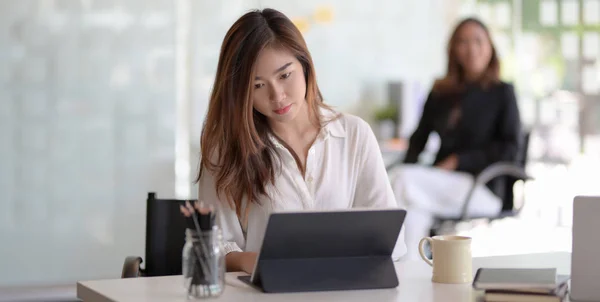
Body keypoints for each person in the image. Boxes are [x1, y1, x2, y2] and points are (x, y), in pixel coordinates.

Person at [195, 8, 407, 274]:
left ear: (305, 65)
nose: (277, 96)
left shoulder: (354, 135)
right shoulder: (226, 150)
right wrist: (250, 261)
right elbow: (209, 247)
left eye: (285, 75)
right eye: (258, 86)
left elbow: (389, 239)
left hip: (345, 290)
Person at [392, 17, 522, 259]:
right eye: (463, 42)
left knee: (400, 182)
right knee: (411, 210)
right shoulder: (442, 92)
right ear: (453, 49)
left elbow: (511, 149)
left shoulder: (502, 92)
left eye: (478, 41)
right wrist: (408, 163)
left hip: (484, 187)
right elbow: (419, 138)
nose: (471, 48)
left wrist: (458, 161)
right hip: (442, 183)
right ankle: (411, 276)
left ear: (490, 47)